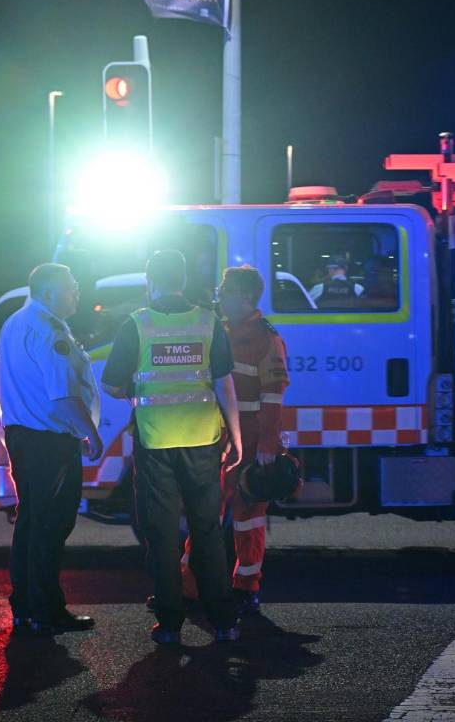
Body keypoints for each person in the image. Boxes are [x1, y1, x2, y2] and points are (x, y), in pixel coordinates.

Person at [101, 250, 243, 645]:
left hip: (156, 442)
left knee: (161, 534)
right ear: (183, 279)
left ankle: (169, 624)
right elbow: (224, 383)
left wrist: (137, 390)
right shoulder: (208, 321)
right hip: (203, 440)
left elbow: (111, 385)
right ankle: (224, 621)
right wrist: (237, 437)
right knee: (208, 531)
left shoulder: (136, 325)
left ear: (151, 280)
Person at [179, 265, 292, 616]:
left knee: (247, 517)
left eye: (226, 291)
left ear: (244, 296)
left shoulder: (266, 339)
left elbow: (273, 397)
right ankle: (188, 588)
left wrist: (268, 447)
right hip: (216, 437)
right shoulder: (220, 331)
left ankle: (246, 587)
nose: (220, 297)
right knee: (204, 514)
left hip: (249, 439)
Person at [0, 263, 102, 636]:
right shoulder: (50, 330)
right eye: (70, 287)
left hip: (23, 437)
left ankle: (25, 606)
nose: (76, 292)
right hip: (50, 442)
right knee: (51, 525)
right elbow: (62, 395)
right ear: (47, 292)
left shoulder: (15, 323)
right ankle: (46, 609)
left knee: (30, 522)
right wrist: (90, 432)